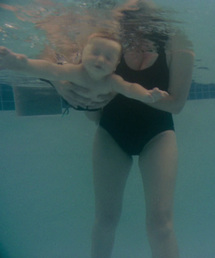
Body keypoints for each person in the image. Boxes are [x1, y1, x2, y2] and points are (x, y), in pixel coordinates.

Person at [45, 1, 194, 257]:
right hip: (111, 132)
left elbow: (177, 104)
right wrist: (61, 81)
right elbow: (51, 53)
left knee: (161, 225)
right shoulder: (105, 34)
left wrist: (127, 91)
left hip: (157, 133)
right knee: (105, 221)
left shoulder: (175, 35)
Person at [0, 32, 169, 105]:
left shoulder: (112, 81)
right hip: (73, 99)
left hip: (95, 106)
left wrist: (145, 96)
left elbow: (130, 88)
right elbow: (49, 70)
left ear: (116, 65)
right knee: (58, 65)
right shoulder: (76, 71)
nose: (101, 59)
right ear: (83, 54)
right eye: (95, 53)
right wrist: (22, 65)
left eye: (109, 57)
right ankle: (15, 62)